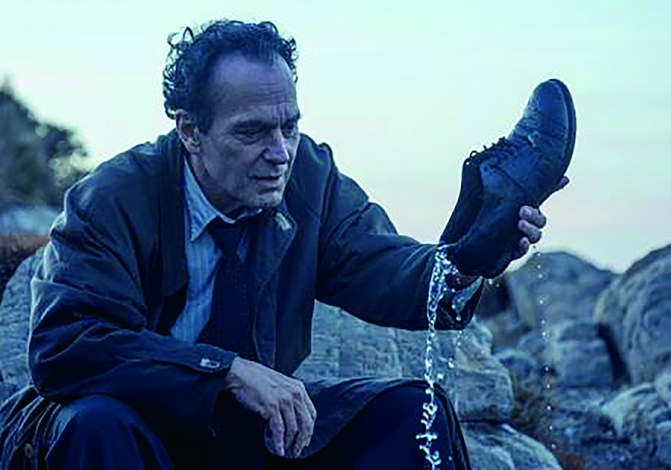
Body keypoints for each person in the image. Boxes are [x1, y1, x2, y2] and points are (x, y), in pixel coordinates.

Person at [0, 19, 572, 470]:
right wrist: (224, 371)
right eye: (252, 131)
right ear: (190, 130)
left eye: (289, 126)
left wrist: (472, 253)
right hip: (123, 426)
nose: (279, 152)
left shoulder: (309, 178)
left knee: (412, 413)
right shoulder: (113, 197)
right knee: (97, 424)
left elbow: (385, 269)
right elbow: (66, 346)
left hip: (241, 431)